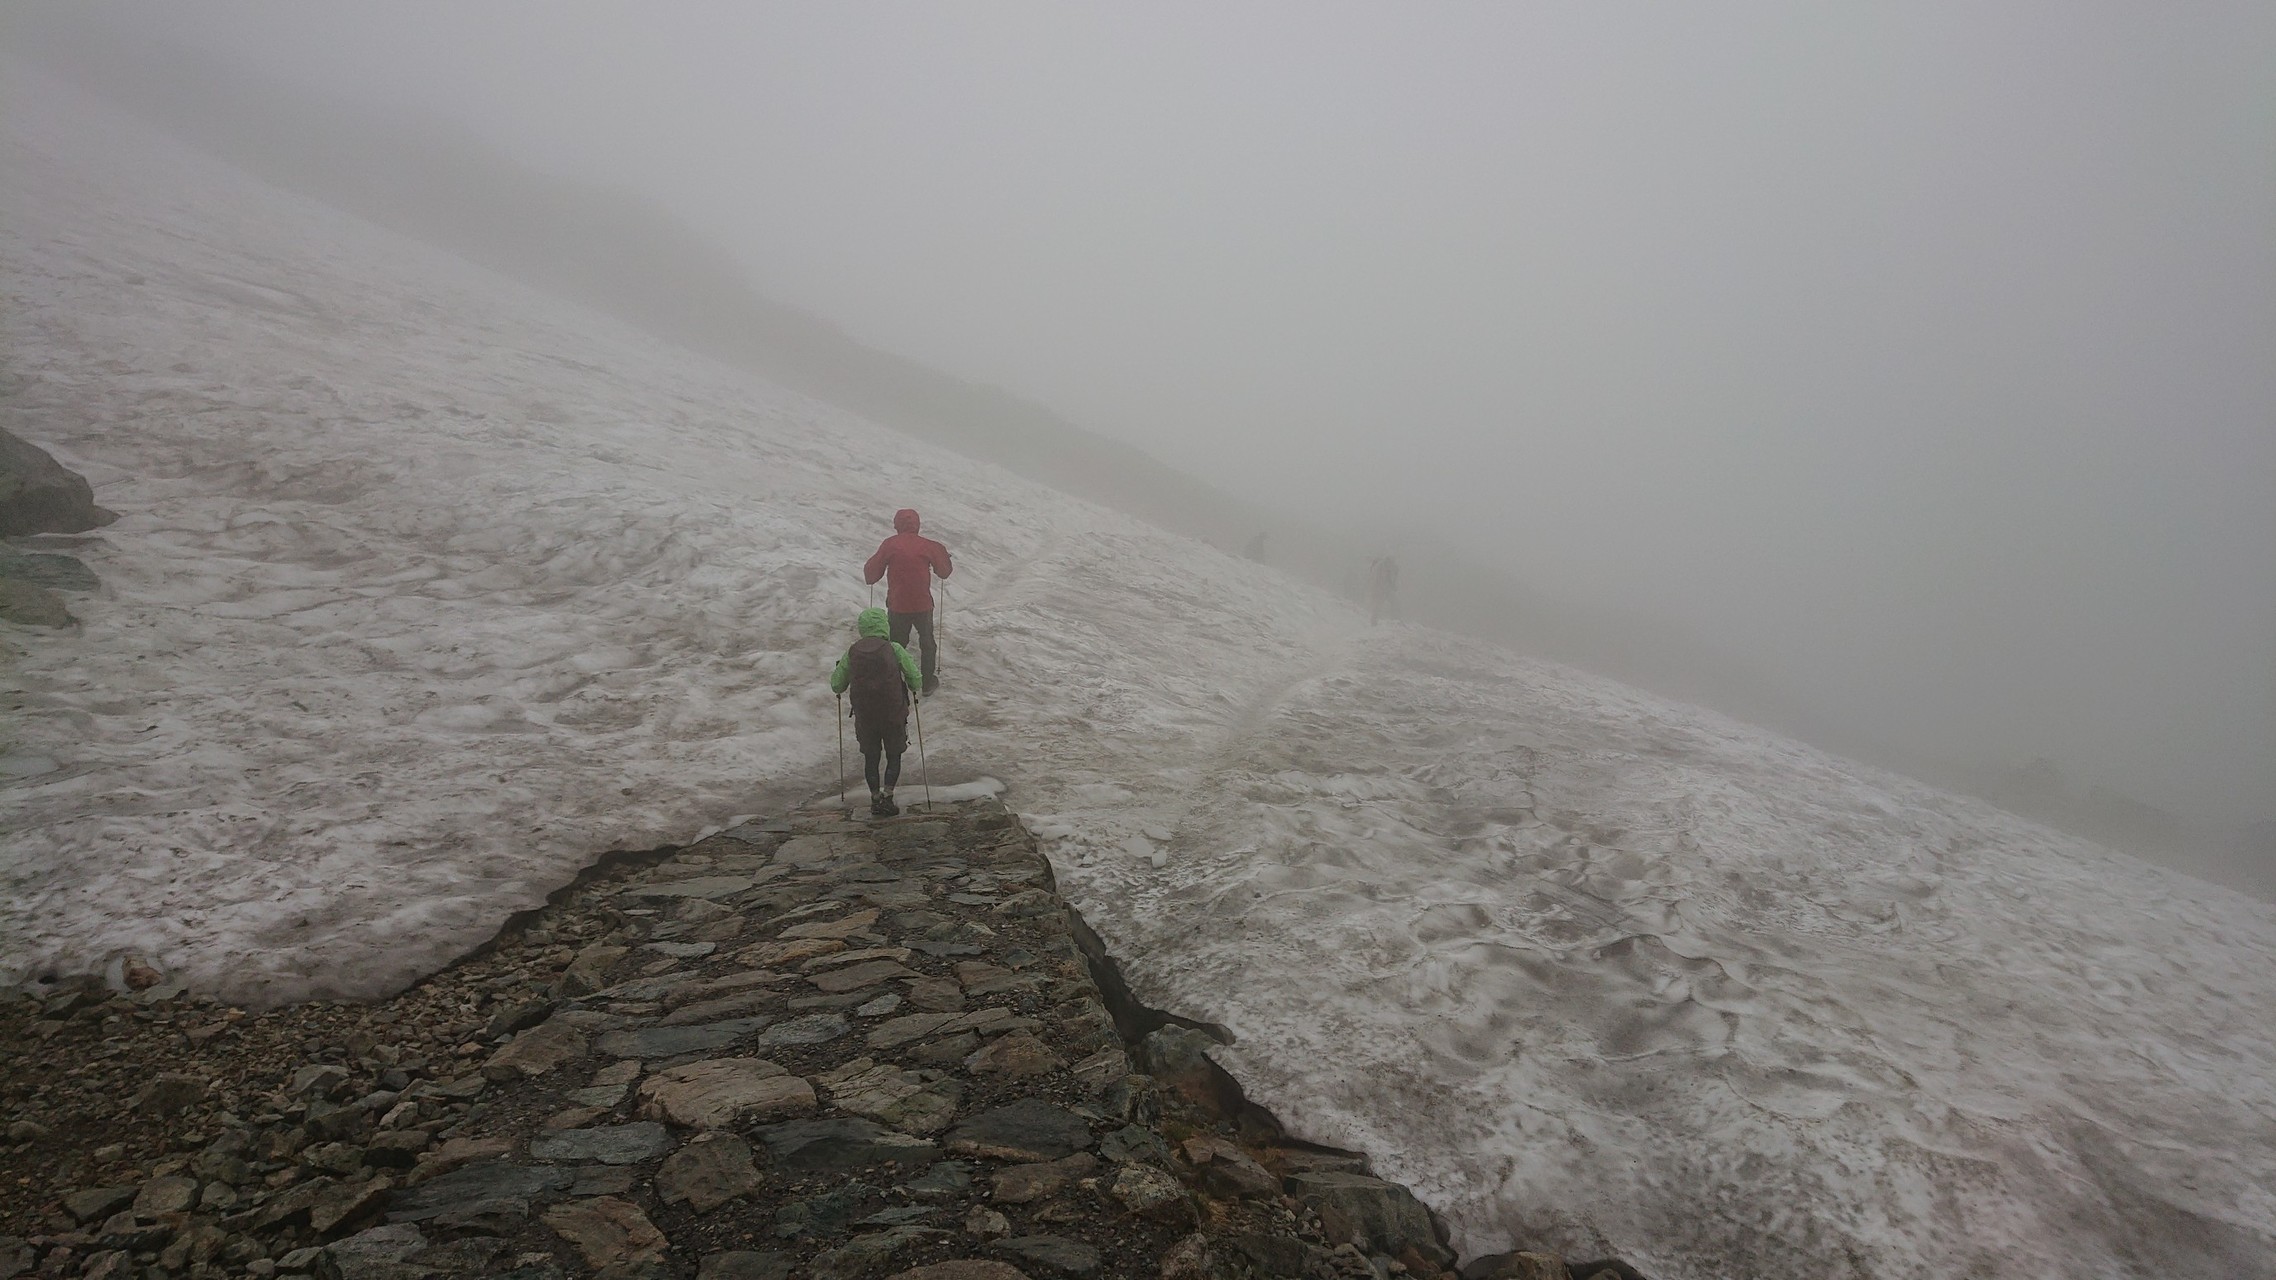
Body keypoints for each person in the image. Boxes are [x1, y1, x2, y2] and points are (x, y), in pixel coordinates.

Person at [830, 607, 922, 817]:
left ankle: (874, 798)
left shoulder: (852, 652)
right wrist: (913, 686)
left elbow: (837, 685)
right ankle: (888, 796)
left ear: (862, 627)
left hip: (865, 716)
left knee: (871, 757)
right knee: (894, 754)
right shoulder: (894, 649)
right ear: (884, 625)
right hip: (893, 714)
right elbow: (915, 678)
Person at [863, 508, 953, 695]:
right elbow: (944, 571)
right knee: (927, 643)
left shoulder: (890, 545)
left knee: (896, 644)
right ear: (917, 525)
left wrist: (871, 574)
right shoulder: (928, 545)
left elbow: (872, 573)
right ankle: (927, 683)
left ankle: (893, 682)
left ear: (897, 524)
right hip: (922, 605)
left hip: (898, 604)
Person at [1366, 555, 1399, 625]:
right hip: (1381, 589)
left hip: (1378, 588)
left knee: (1378, 604)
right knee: (1379, 604)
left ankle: (1375, 620)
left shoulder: (1377, 567)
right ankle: (1375, 621)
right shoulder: (1382, 567)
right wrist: (1391, 585)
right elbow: (1386, 578)